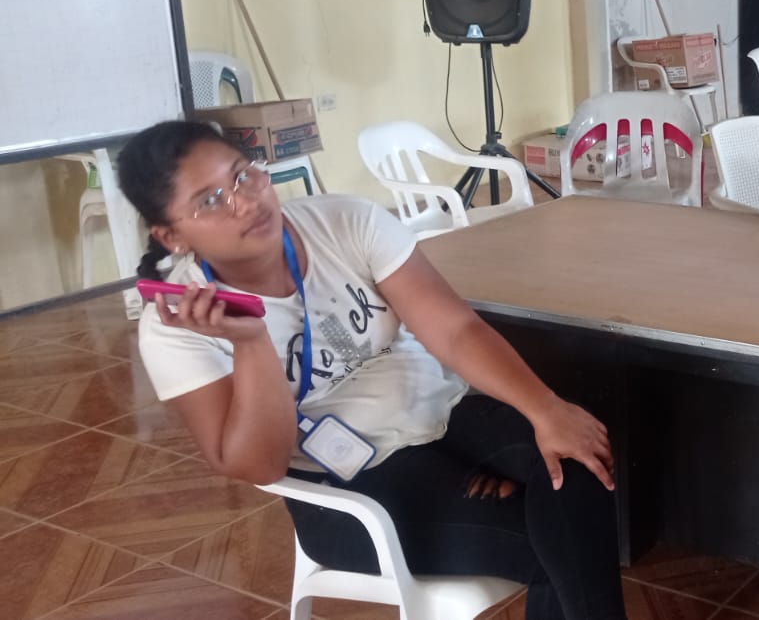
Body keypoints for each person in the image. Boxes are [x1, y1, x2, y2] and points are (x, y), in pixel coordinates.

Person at [119, 121, 627, 620]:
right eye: (210, 201)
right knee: (562, 541)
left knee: (578, 456)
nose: (245, 202)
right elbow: (261, 464)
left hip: (443, 413)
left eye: (242, 175)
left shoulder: (345, 222)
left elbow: (454, 330)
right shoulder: (175, 327)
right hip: (344, 487)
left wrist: (546, 409)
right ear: (171, 236)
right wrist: (251, 343)